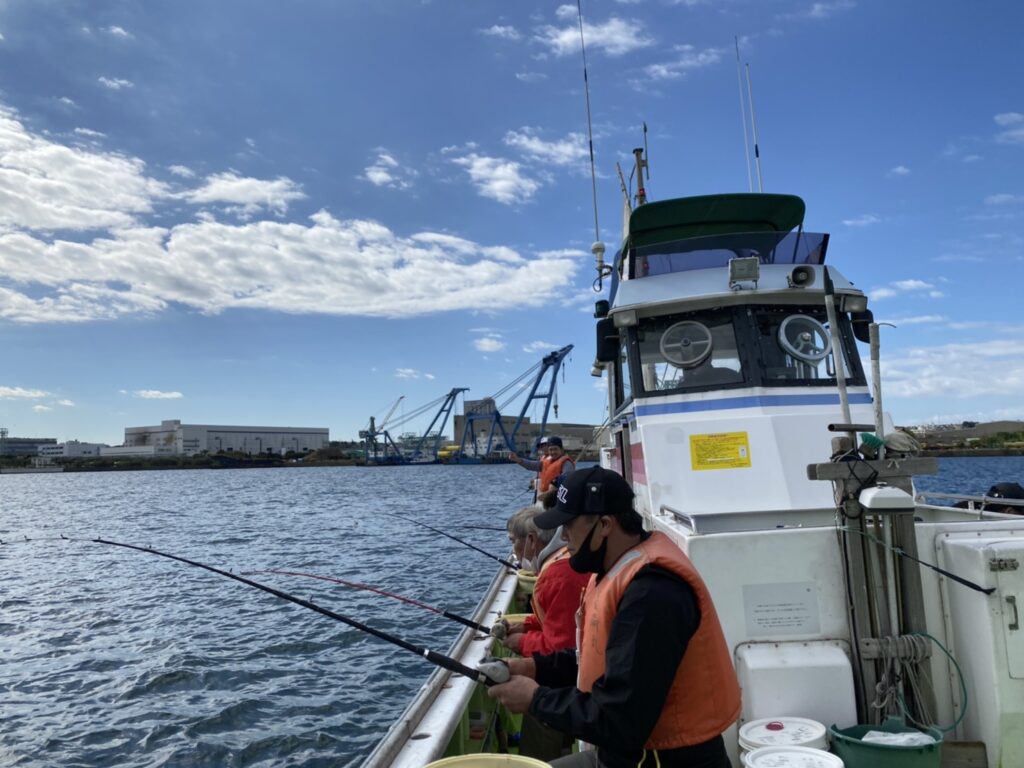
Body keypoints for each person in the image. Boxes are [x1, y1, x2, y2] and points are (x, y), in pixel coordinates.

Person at [488, 467, 741, 768]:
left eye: (568, 525)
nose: (563, 536)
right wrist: (532, 667)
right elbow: (596, 655)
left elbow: (621, 720)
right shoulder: (618, 569)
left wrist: (536, 699)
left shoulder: (652, 595)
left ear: (605, 524)